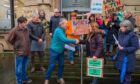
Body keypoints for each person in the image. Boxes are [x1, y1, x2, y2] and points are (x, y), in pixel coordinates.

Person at [44, 18, 79, 84]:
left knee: (62, 65)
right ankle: (47, 79)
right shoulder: (58, 30)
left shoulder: (63, 30)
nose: (67, 25)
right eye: (66, 23)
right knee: (52, 65)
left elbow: (63, 40)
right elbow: (64, 39)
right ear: (62, 24)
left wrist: (70, 43)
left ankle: (59, 78)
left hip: (60, 51)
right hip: (54, 50)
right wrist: (74, 40)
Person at [7, 16, 32, 84]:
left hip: (27, 52)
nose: (25, 24)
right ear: (19, 23)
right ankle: (19, 82)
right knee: (19, 69)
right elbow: (8, 39)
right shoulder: (15, 30)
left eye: (26, 22)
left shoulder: (26, 29)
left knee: (25, 67)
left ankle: (24, 79)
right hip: (19, 53)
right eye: (24, 22)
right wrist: (16, 45)